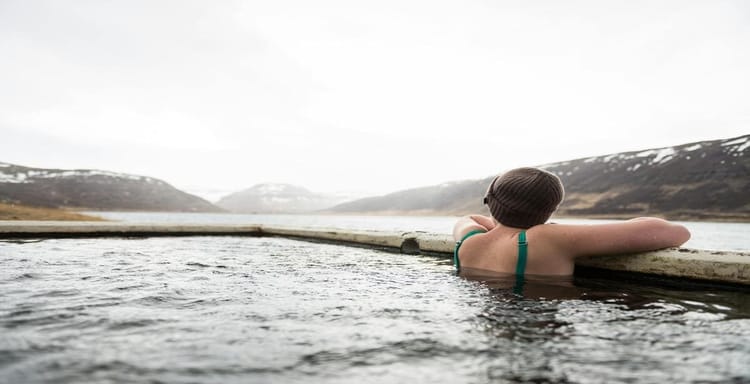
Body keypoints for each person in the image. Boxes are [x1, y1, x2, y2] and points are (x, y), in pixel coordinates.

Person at [453, 167, 691, 276]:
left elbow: (469, 218)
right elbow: (677, 232)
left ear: (490, 203)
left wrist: (501, 229)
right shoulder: (544, 239)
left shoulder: (469, 240)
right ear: (551, 210)